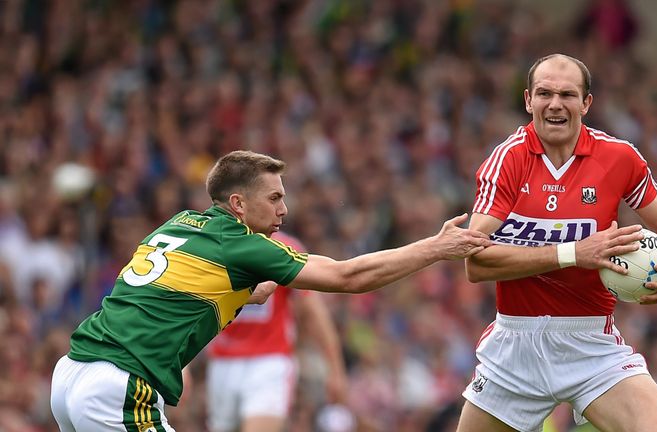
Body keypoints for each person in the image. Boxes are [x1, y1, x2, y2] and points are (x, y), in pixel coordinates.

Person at [50, 150, 492, 432]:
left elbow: (169, 290)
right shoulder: (241, 243)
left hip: (72, 374)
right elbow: (348, 277)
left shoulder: (182, 221)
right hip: (121, 387)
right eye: (275, 198)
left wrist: (243, 293)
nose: (285, 208)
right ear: (239, 205)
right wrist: (434, 248)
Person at [457, 54, 657, 432]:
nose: (555, 104)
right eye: (544, 93)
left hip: (591, 343)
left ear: (586, 103)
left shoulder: (619, 158)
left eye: (567, 94)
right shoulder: (507, 160)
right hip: (515, 346)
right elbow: (475, 261)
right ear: (527, 100)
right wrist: (573, 254)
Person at [205, 231, 347, 432]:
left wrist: (335, 368)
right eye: (273, 198)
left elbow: (312, 312)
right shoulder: (216, 244)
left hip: (269, 362)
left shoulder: (284, 248)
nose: (281, 210)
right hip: (222, 362)